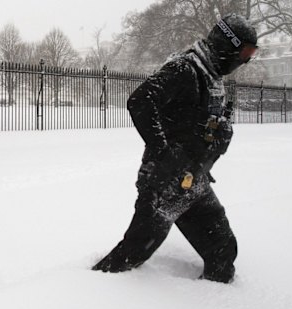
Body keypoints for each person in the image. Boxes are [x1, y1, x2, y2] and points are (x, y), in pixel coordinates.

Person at [92, 14, 258, 283]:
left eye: (252, 53)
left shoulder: (212, 77)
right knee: (133, 253)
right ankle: (91, 291)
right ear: (227, 44)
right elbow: (141, 101)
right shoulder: (185, 69)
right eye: (245, 52)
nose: (246, 59)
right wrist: (162, 150)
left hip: (193, 181)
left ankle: (214, 302)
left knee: (223, 250)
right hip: (163, 182)